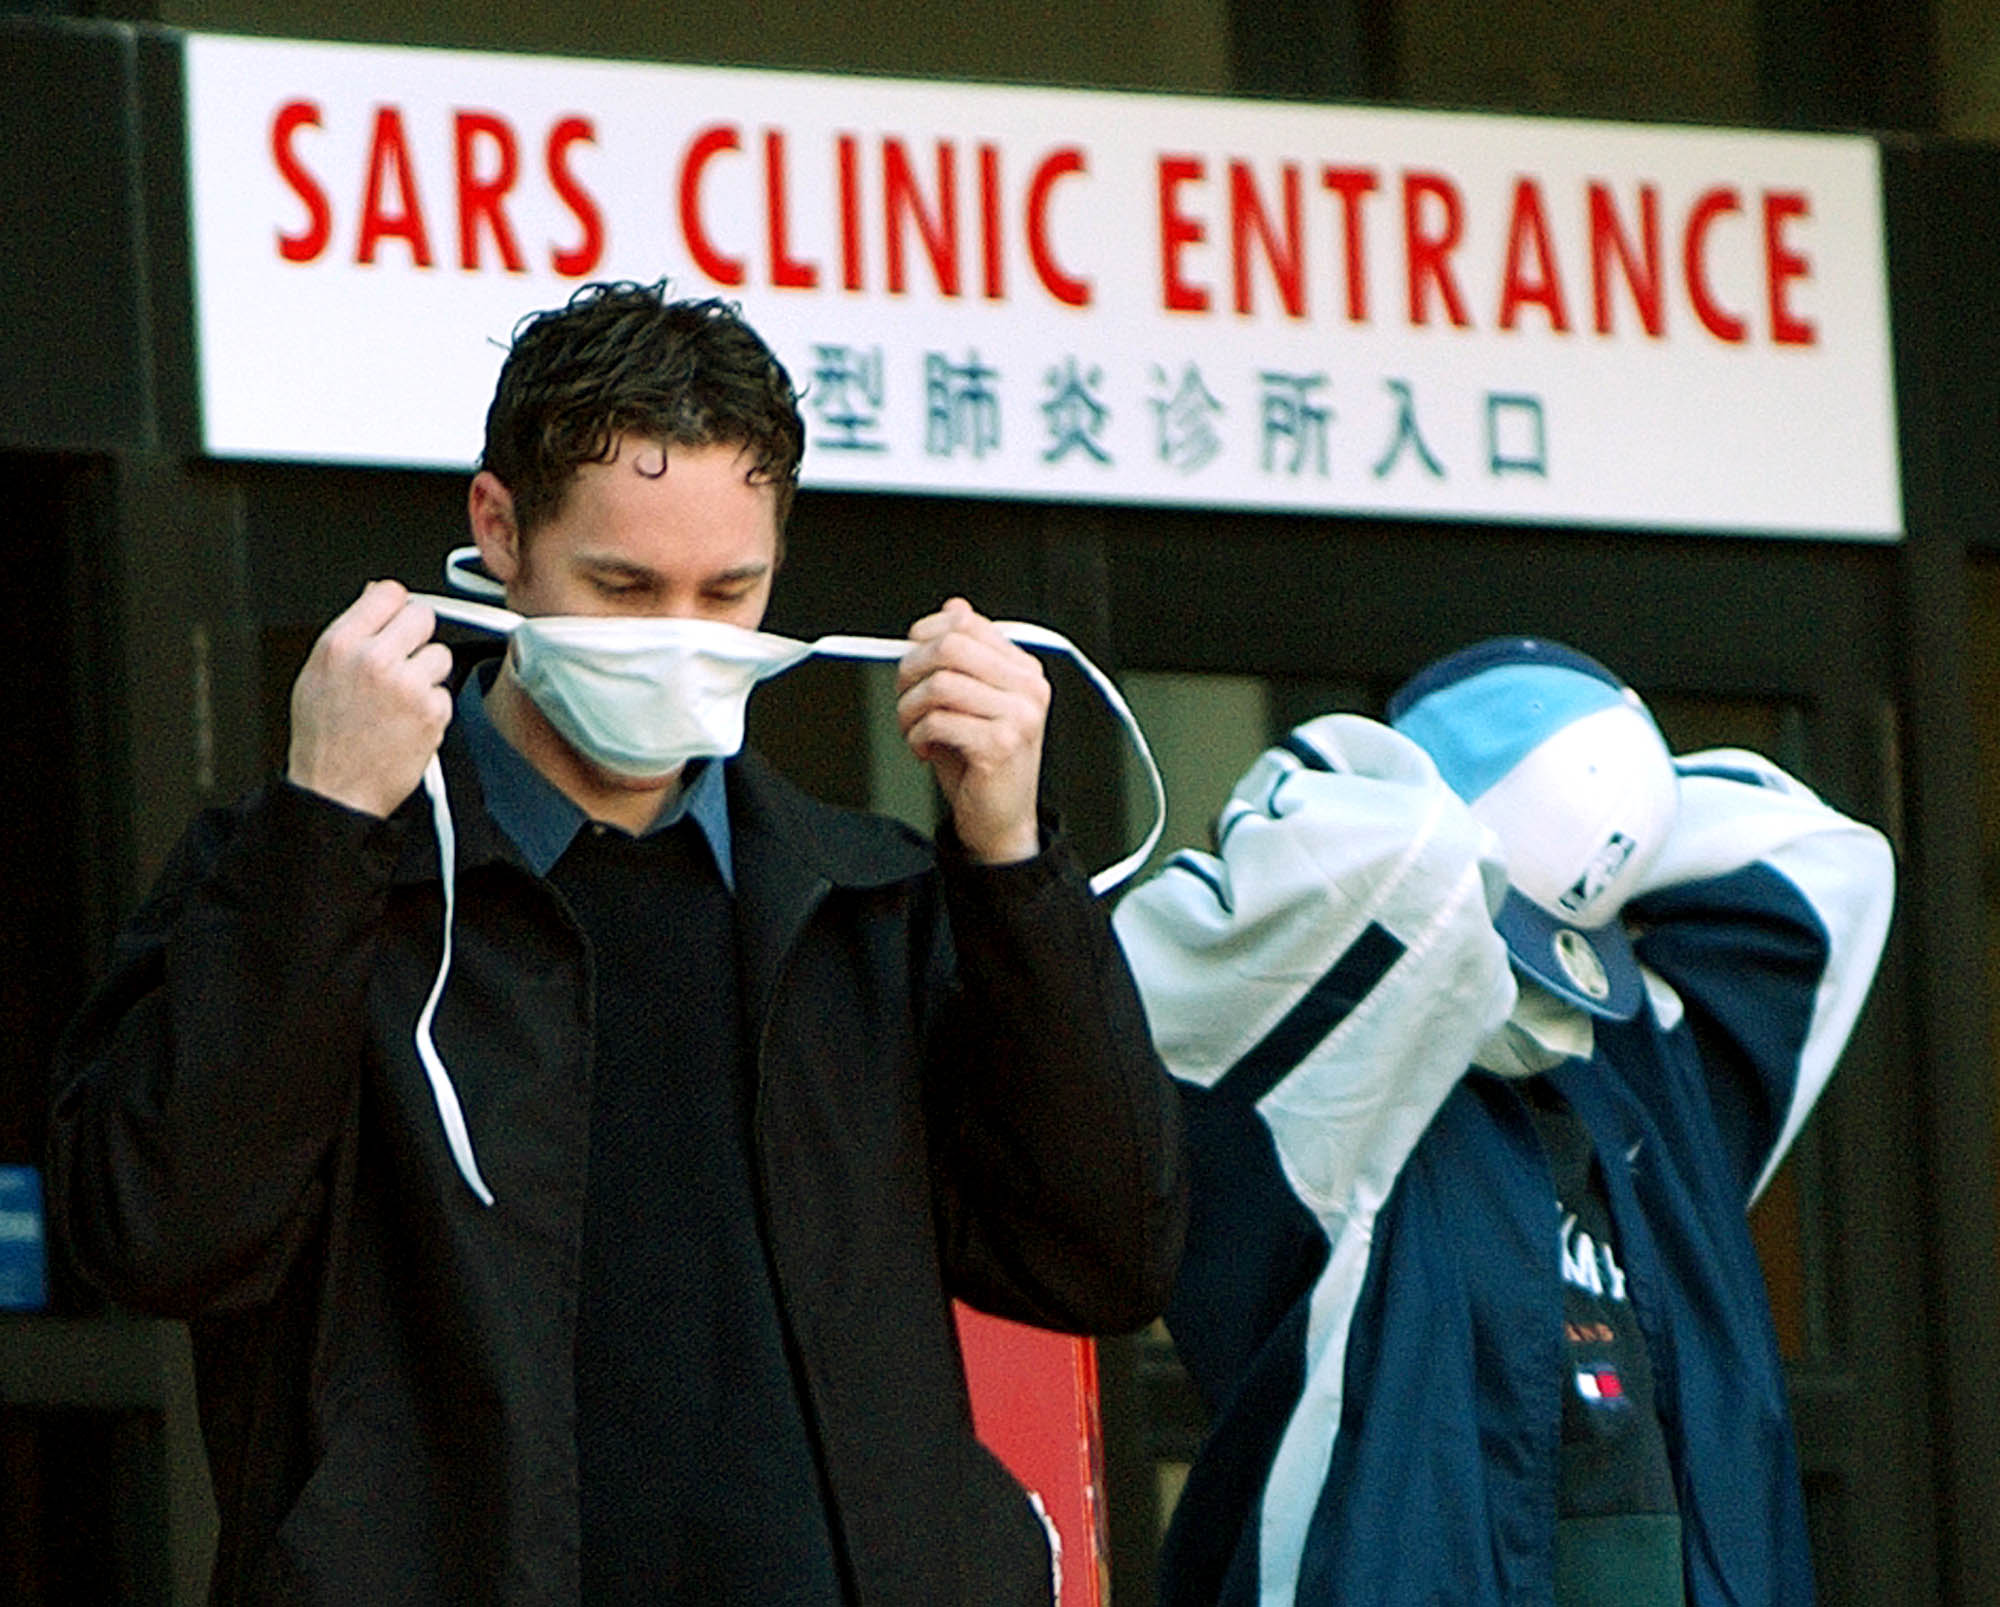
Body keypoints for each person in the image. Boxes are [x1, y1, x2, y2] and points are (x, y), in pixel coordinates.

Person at [45, 282, 1188, 1606]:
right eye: (623, 584)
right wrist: (323, 825)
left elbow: (1106, 1249)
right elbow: (154, 1231)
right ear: (499, 531)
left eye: (730, 588)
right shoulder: (328, 883)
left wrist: (1010, 864)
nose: (680, 636)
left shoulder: (863, 906)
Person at [1110, 637, 1894, 1607]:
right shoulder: (1328, 1108)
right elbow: (1373, 865)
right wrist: (1433, 796)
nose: (1539, 997)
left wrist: (1615, 796)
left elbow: (1822, 859)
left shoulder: (1644, 1073)